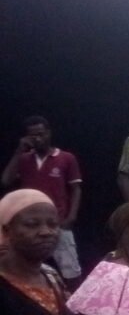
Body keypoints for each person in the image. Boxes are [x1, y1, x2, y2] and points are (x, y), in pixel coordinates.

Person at [1, 115, 83, 286]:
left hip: (57, 221)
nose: (38, 138)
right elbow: (5, 181)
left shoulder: (66, 157)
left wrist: (71, 217)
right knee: (27, 264)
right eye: (33, 135)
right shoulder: (24, 159)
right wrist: (19, 151)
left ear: (49, 133)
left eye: (41, 134)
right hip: (30, 223)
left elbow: (75, 188)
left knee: (70, 269)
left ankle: (74, 300)